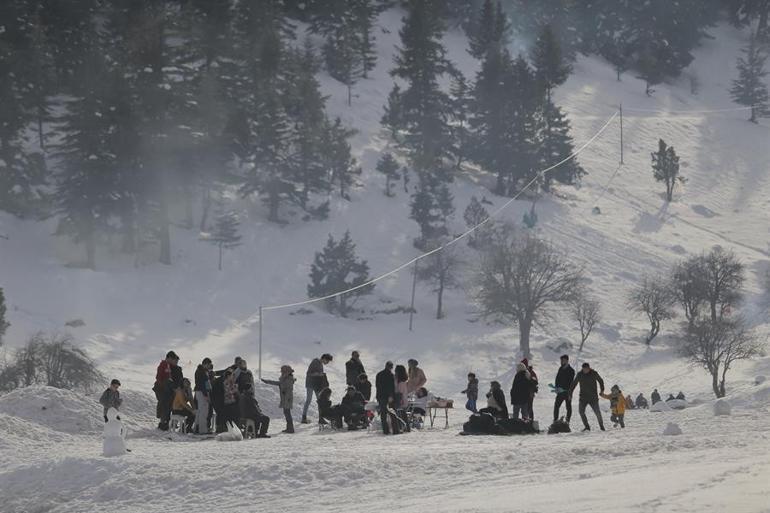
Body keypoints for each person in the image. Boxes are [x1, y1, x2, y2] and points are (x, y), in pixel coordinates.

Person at [569, 362, 605, 432]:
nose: (585, 370)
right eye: (584, 369)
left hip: (593, 397)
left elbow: (600, 381)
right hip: (583, 397)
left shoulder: (594, 373)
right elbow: (573, 384)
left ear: (589, 368)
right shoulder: (579, 374)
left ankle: (601, 426)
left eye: (586, 369)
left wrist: (602, 390)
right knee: (581, 412)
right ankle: (587, 427)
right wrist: (570, 394)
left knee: (597, 412)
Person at [262, 365, 296, 434]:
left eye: (283, 372)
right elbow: (277, 383)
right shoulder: (285, 379)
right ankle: (289, 428)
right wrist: (267, 381)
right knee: (286, 413)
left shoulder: (289, 379)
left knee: (287, 413)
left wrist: (284, 391)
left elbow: (288, 389)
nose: (282, 373)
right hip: (285, 398)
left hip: (287, 398)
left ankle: (290, 428)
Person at [302, 353, 333, 424]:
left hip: (317, 385)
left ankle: (321, 418)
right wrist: (319, 374)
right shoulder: (315, 362)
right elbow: (309, 373)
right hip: (310, 384)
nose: (327, 363)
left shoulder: (320, 364)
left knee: (320, 401)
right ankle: (304, 417)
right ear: (324, 359)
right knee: (308, 400)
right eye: (327, 361)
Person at [153, 351, 179, 431]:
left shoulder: (167, 365)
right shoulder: (163, 365)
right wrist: (163, 385)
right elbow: (159, 377)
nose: (173, 361)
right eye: (173, 359)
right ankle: (162, 423)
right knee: (164, 405)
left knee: (167, 405)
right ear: (169, 358)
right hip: (162, 388)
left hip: (167, 388)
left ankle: (164, 422)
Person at [375, 361, 398, 435]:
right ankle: (395, 430)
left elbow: (377, 386)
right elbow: (391, 387)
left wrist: (378, 397)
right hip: (388, 396)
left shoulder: (379, 374)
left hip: (380, 396)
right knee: (392, 414)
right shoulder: (391, 375)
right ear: (391, 367)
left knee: (383, 414)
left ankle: (385, 431)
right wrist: (391, 396)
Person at [554, 354, 575, 423]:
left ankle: (567, 421)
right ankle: (555, 420)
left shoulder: (571, 370)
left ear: (566, 360)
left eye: (563, 360)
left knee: (568, 407)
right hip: (560, 392)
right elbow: (557, 379)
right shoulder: (560, 369)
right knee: (556, 406)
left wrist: (568, 392)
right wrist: (557, 388)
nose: (561, 361)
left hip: (567, 392)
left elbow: (571, 382)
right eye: (561, 360)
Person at [194, 358, 213, 434]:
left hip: (201, 392)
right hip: (202, 393)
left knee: (200, 412)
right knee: (203, 412)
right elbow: (203, 384)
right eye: (209, 364)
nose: (210, 366)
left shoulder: (203, 371)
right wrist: (206, 395)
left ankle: (197, 428)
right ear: (205, 364)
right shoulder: (201, 372)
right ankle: (202, 430)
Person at [395, 364, 410, 431]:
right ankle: (406, 428)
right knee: (403, 415)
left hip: (401, 400)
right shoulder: (403, 382)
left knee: (401, 415)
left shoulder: (401, 383)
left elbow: (399, 393)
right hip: (403, 400)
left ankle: (403, 428)